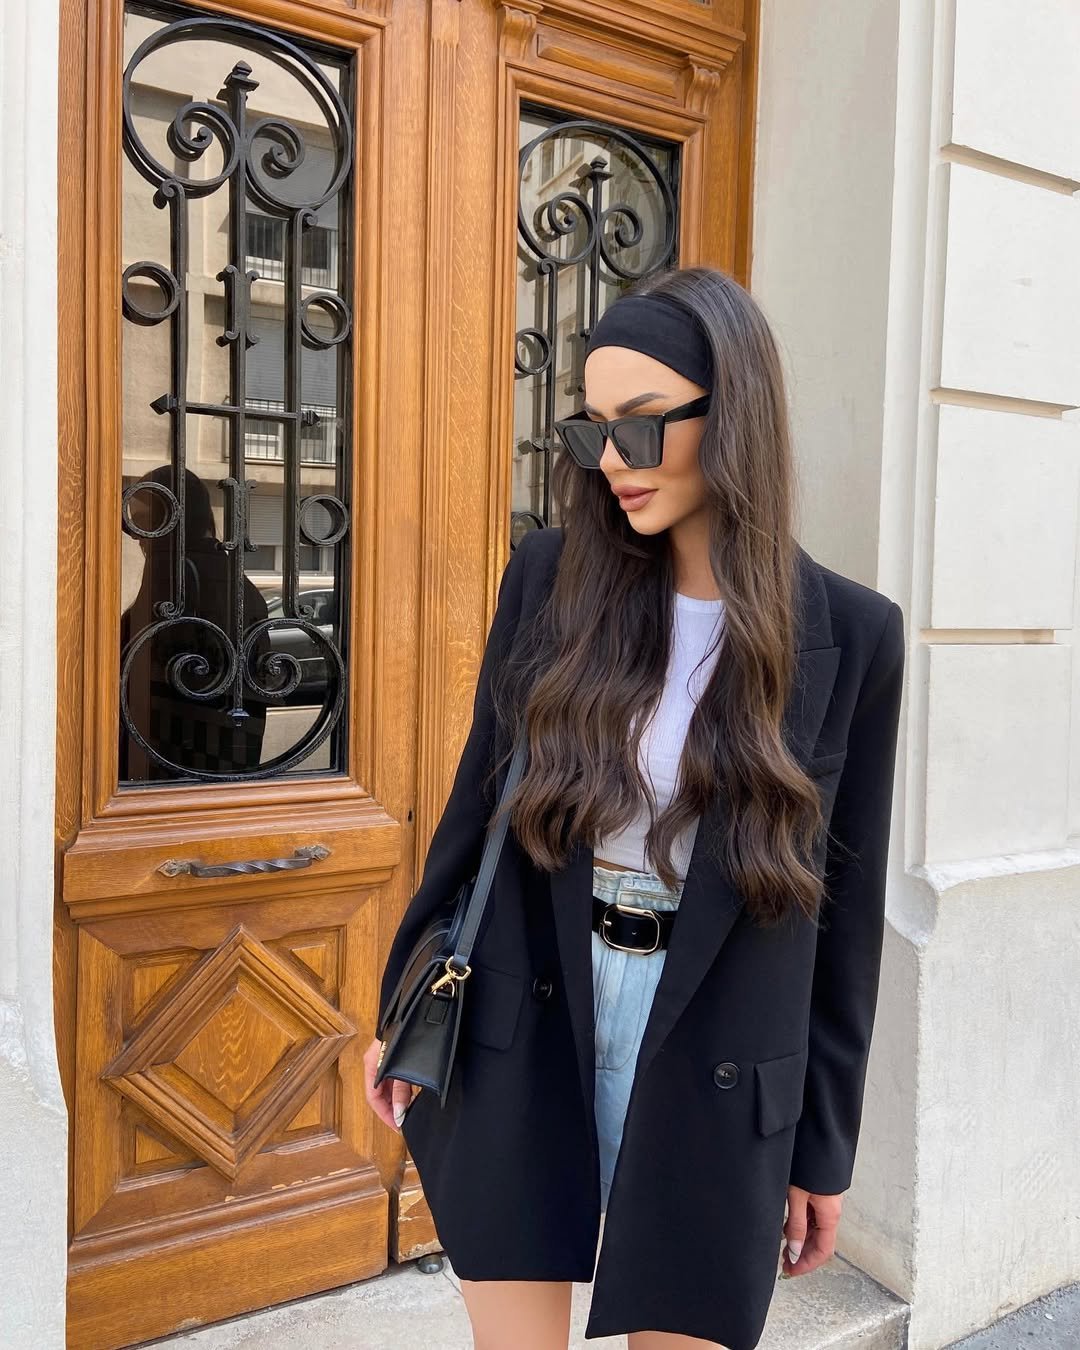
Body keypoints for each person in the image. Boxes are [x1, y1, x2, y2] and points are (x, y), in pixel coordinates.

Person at [364, 265, 906, 1350]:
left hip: (718, 1049)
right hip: (528, 1014)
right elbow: (475, 812)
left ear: (734, 417)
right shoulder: (551, 581)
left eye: (645, 425)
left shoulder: (852, 635)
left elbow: (844, 919)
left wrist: (823, 1148)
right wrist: (404, 1007)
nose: (614, 459)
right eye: (594, 430)